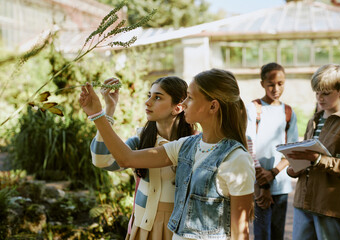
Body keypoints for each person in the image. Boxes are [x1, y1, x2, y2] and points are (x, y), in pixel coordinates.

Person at [80, 68, 255, 240]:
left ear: (213, 106)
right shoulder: (186, 146)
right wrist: (99, 114)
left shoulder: (236, 159)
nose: (184, 103)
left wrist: (99, 115)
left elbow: (240, 232)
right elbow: (125, 158)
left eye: (190, 97)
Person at [91, 76, 195, 240]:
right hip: (143, 226)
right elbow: (102, 160)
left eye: (157, 97)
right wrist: (109, 108)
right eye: (149, 95)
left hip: (180, 231)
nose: (147, 102)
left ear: (178, 107)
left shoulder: (194, 145)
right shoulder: (140, 141)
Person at [287, 64, 340, 240]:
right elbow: (308, 159)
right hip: (303, 203)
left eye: (325, 93)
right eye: (317, 92)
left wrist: (319, 159)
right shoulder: (314, 120)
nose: (320, 98)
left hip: (332, 208)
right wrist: (295, 167)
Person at [246, 62, 298, 240]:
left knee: (277, 234)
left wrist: (273, 173)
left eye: (280, 83)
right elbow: (249, 144)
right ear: (262, 84)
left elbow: (292, 149)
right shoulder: (254, 108)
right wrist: (264, 183)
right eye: (270, 84)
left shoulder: (288, 112)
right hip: (259, 183)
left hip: (281, 184)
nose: (276, 88)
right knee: (261, 234)